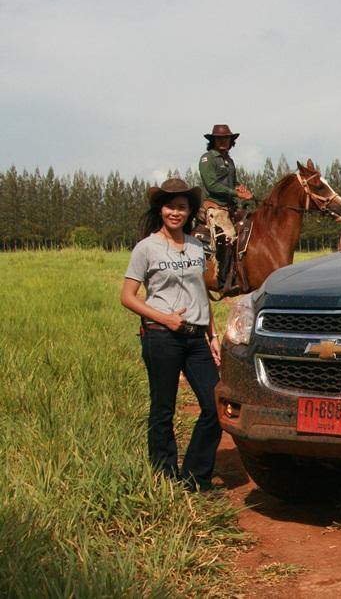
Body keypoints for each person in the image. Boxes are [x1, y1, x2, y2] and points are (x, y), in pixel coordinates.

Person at [120, 178, 222, 492]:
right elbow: (128, 296)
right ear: (160, 210)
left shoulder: (196, 245)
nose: (175, 212)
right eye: (169, 206)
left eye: (181, 207)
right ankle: (165, 478)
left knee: (215, 404)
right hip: (161, 336)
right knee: (163, 407)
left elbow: (201, 291)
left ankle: (194, 477)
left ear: (189, 211)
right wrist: (165, 319)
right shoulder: (146, 248)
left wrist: (213, 335)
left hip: (195, 338)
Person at [198, 124, 253, 288]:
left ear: (231, 141)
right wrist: (235, 193)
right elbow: (211, 185)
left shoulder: (229, 161)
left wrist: (241, 189)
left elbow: (233, 183)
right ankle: (223, 279)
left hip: (231, 207)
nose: (223, 141)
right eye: (219, 138)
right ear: (213, 140)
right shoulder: (207, 159)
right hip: (215, 207)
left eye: (226, 138)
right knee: (228, 235)